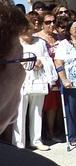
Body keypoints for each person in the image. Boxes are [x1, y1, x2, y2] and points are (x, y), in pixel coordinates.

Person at [0, 0, 76, 166]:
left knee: (35, 113)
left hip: (40, 82)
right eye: (21, 62)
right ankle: (20, 141)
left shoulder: (39, 43)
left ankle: (35, 139)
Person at [13, 15, 57, 151]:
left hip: (38, 80)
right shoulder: (16, 42)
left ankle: (36, 140)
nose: (30, 30)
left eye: (33, 25)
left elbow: (48, 59)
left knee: (37, 111)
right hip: (21, 81)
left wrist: (41, 62)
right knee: (20, 113)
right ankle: (18, 143)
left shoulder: (40, 42)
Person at [34, 12, 63, 143]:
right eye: (47, 22)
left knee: (53, 105)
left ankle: (51, 132)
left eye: (53, 21)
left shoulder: (60, 37)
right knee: (40, 105)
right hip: (41, 75)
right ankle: (38, 133)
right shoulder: (36, 38)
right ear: (42, 23)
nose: (51, 24)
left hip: (56, 74)